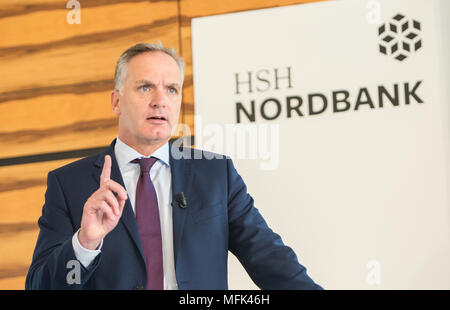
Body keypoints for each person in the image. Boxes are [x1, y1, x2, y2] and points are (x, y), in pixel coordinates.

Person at [25, 43, 322, 290]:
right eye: (145, 88)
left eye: (171, 89)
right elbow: (41, 286)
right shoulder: (69, 184)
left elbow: (269, 258)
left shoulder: (215, 175)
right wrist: (85, 243)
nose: (160, 101)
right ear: (116, 101)